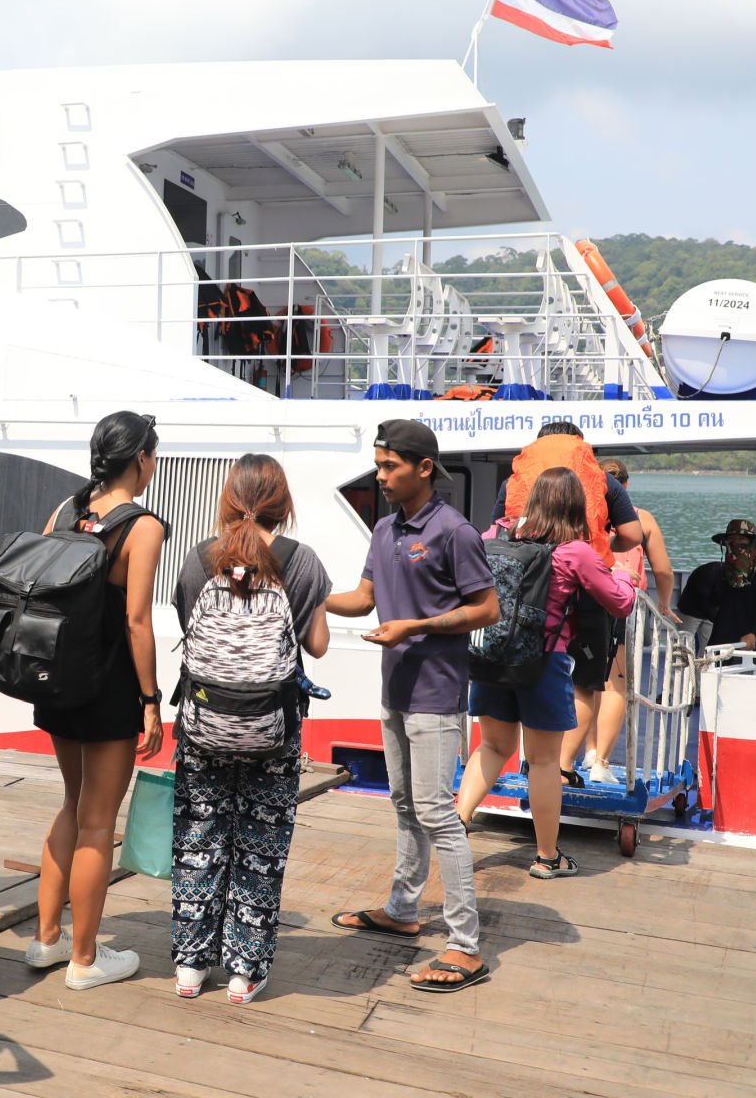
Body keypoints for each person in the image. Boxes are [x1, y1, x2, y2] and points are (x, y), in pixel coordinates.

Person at [326, 419, 499, 994]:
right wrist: (304, 593)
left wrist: (418, 625)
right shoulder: (384, 529)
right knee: (404, 803)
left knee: (436, 813)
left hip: (435, 692)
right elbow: (364, 599)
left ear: (424, 468)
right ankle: (402, 909)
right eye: (378, 465)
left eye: (389, 466)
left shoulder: (454, 532)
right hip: (395, 689)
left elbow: (488, 609)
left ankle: (464, 944)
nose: (380, 476)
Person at [169, 454, 330, 1004]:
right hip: (273, 729)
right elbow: (318, 646)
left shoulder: (198, 560)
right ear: (284, 506)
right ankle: (244, 973)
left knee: (200, 836)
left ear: (227, 499)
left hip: (203, 723)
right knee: (261, 845)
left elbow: (190, 631)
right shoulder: (302, 562)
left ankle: (191, 967)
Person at [24, 411, 167, 990]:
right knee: (98, 824)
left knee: (71, 802)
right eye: (152, 456)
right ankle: (85, 961)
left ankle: (46, 941)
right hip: (107, 688)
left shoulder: (64, 510)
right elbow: (136, 622)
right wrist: (151, 701)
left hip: (58, 679)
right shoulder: (143, 527)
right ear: (139, 460)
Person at [456, 468, 638, 878]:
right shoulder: (574, 551)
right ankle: (546, 856)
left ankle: (459, 824)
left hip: (492, 657)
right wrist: (624, 577)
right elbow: (619, 603)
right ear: (577, 505)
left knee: (491, 748)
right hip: (544, 663)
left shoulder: (494, 536)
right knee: (542, 762)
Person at [492, 421, 642, 781]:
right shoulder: (600, 480)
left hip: (529, 592)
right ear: (580, 444)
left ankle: (532, 761)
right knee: (584, 683)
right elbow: (632, 535)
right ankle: (560, 766)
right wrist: (604, 550)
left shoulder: (516, 478)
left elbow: (498, 530)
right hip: (587, 588)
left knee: (527, 668)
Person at [583, 459, 677, 784]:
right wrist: (664, 605)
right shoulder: (641, 518)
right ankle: (601, 763)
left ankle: (590, 749)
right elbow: (663, 571)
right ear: (626, 485)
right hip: (625, 606)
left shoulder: (587, 518)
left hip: (589, 604)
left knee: (586, 680)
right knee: (616, 685)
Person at [677, 519, 756, 653]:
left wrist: (754, 634)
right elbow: (713, 607)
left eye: (742, 539)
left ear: (753, 544)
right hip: (719, 646)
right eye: (731, 540)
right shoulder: (722, 573)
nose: (736, 544)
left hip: (750, 647)